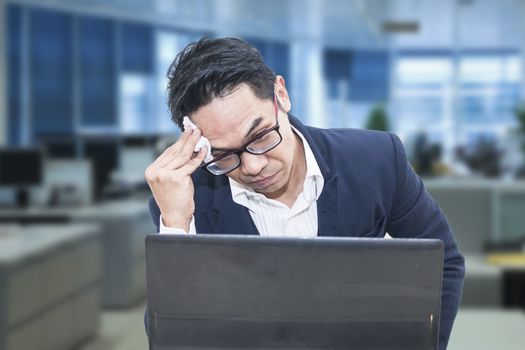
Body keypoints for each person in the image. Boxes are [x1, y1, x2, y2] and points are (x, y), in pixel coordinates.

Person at [145, 37, 465, 349]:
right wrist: (175, 225)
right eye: (225, 154)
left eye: (259, 136)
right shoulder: (187, 198)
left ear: (280, 95)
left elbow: (444, 263)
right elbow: (173, 335)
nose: (254, 166)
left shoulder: (376, 159)